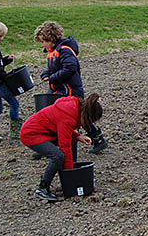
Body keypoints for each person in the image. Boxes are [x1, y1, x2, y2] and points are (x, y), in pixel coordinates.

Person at [33, 21, 108, 154]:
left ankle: (98, 139)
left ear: (50, 39)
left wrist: (52, 77)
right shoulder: (53, 51)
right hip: (58, 89)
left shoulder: (64, 51)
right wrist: (46, 74)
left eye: (43, 41)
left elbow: (70, 68)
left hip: (70, 90)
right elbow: (54, 69)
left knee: (81, 116)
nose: (43, 45)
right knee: (53, 116)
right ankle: (48, 144)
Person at [20, 93, 103, 201]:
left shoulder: (75, 108)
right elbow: (65, 146)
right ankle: (42, 188)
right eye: (91, 121)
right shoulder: (68, 117)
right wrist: (71, 178)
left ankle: (66, 175)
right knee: (58, 156)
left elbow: (60, 129)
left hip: (45, 132)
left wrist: (77, 136)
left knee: (67, 148)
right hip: (31, 134)